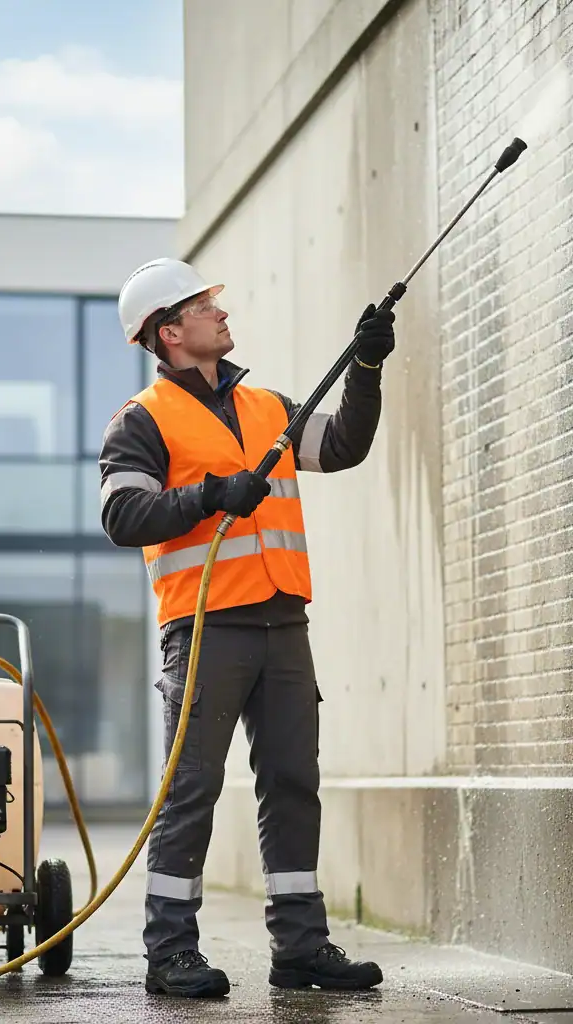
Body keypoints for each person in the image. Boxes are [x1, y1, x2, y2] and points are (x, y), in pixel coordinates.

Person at [99, 257, 396, 998]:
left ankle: (300, 948)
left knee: (294, 783)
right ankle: (170, 951)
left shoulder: (269, 407)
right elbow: (122, 516)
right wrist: (209, 494)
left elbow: (343, 445)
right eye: (205, 306)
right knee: (191, 789)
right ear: (170, 332)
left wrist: (365, 366)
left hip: (283, 622)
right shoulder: (142, 420)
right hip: (205, 630)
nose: (221, 314)